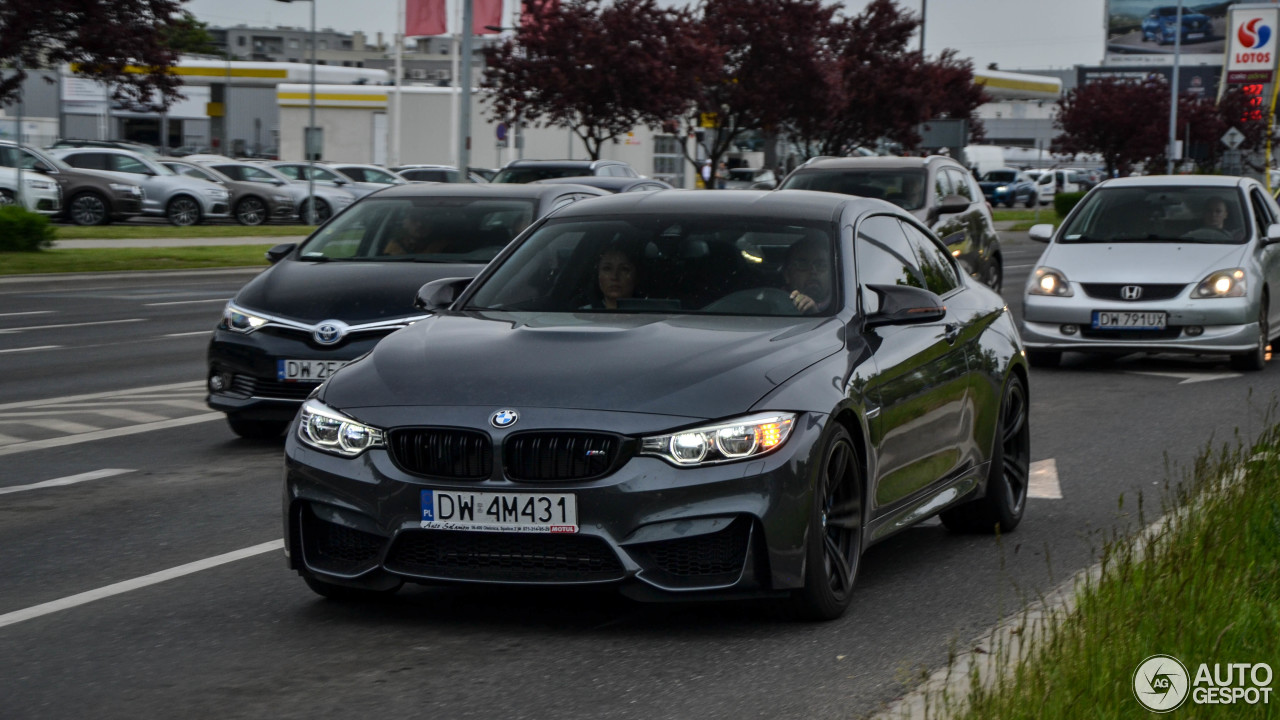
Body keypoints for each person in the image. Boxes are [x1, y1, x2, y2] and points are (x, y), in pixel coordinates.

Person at [584, 239, 641, 310]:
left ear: (636, 276)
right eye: (607, 269)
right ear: (598, 275)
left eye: (624, 269)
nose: (614, 276)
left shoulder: (651, 315)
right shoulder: (579, 315)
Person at [783, 234, 834, 314]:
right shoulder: (775, 303)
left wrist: (813, 312)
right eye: (803, 265)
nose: (813, 271)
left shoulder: (843, 308)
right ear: (787, 275)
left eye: (821, 265)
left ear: (832, 274)